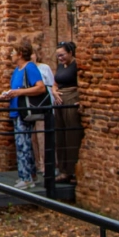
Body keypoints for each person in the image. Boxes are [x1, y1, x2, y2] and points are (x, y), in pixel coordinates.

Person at [0, 41, 47, 190]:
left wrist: (20, 92)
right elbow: (15, 89)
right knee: (21, 143)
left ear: (20, 54)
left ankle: (27, 178)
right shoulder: (17, 69)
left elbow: (40, 87)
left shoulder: (29, 67)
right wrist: (1, 96)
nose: (10, 55)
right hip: (16, 110)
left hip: (24, 111)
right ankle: (28, 175)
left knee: (23, 144)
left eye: (13, 52)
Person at [54, 41, 83, 183]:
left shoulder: (76, 65)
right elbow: (55, 83)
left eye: (62, 55)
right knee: (60, 136)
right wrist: (54, 92)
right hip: (59, 101)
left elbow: (83, 83)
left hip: (71, 99)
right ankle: (63, 170)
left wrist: (81, 99)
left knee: (72, 136)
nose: (60, 58)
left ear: (70, 53)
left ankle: (73, 171)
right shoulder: (60, 66)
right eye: (58, 55)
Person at [30, 49, 56, 178]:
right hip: (31, 106)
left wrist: (52, 105)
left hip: (44, 105)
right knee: (33, 137)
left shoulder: (44, 68)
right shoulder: (26, 69)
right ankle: (38, 163)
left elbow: (51, 86)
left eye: (32, 54)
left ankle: (46, 164)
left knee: (42, 136)